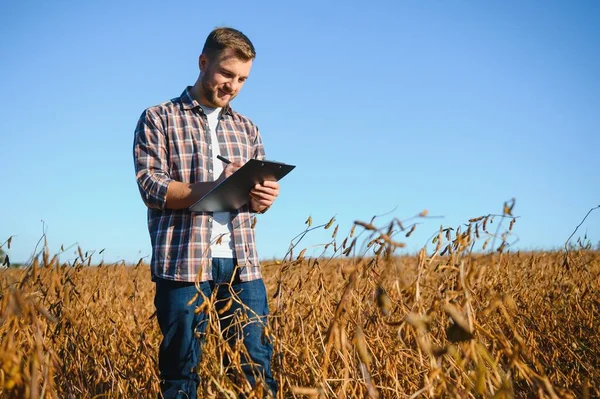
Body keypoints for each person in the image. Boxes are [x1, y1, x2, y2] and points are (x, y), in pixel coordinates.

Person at [133, 27, 279, 399]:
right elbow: (151, 187)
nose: (233, 85)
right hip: (184, 264)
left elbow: (255, 204)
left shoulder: (248, 128)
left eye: (242, 79)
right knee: (181, 375)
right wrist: (215, 184)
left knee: (255, 371)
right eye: (226, 74)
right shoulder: (159, 118)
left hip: (243, 265)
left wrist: (264, 196)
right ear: (203, 63)